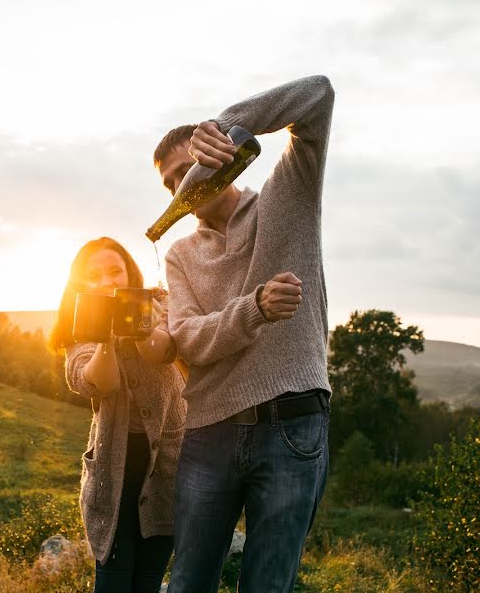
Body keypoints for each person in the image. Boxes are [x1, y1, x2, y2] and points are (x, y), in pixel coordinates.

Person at [152, 75, 335, 593]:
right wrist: (252, 310)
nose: (181, 187)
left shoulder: (287, 196)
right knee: (188, 583)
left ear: (222, 155)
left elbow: (319, 96)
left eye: (188, 169)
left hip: (292, 424)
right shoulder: (181, 255)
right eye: (169, 183)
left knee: (268, 586)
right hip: (208, 433)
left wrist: (234, 121)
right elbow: (187, 339)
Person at [50, 236, 186, 593]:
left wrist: (140, 323)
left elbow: (164, 352)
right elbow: (99, 383)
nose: (106, 282)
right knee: (113, 581)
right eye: (93, 277)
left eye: (114, 271)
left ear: (130, 273)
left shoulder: (160, 304)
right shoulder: (82, 327)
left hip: (166, 468)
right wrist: (107, 337)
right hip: (114, 469)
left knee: (147, 582)